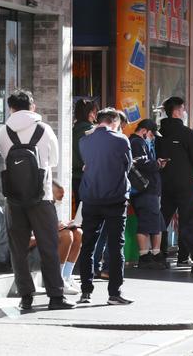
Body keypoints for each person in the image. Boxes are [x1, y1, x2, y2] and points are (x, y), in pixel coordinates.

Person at [0, 90, 74, 310]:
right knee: (49, 246)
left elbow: (4, 159)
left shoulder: (4, 131)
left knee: (18, 249)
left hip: (14, 199)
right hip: (42, 197)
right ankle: (55, 297)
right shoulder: (44, 129)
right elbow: (55, 160)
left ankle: (26, 296)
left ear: (10, 108)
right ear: (32, 106)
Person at [78, 108, 133, 305]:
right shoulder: (121, 140)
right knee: (115, 245)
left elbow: (87, 164)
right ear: (114, 121)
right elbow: (127, 166)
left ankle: (85, 291)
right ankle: (114, 293)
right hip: (115, 198)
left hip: (91, 197)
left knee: (88, 244)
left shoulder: (84, 141)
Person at [156, 97, 193, 267]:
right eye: (182, 109)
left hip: (165, 181)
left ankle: (159, 252)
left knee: (163, 217)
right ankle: (183, 255)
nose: (184, 112)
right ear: (176, 111)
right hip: (185, 182)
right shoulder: (186, 132)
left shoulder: (160, 132)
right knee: (186, 219)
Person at [130, 119, 169, 270]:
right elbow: (141, 163)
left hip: (148, 190)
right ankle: (144, 257)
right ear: (145, 131)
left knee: (155, 223)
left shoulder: (139, 142)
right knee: (146, 224)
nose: (152, 138)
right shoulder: (136, 143)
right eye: (152, 135)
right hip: (144, 190)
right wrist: (157, 164)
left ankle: (153, 254)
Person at [52, 181, 82, 295]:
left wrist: (65, 224)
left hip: (50, 235)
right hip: (39, 241)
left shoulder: (53, 205)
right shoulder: (41, 204)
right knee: (67, 235)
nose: (61, 200)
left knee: (78, 232)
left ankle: (66, 275)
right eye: (59, 196)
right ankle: (57, 279)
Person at [72, 99, 97, 214]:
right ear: (90, 113)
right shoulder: (91, 131)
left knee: (80, 211)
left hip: (75, 177)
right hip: (89, 177)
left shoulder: (71, 130)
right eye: (94, 112)